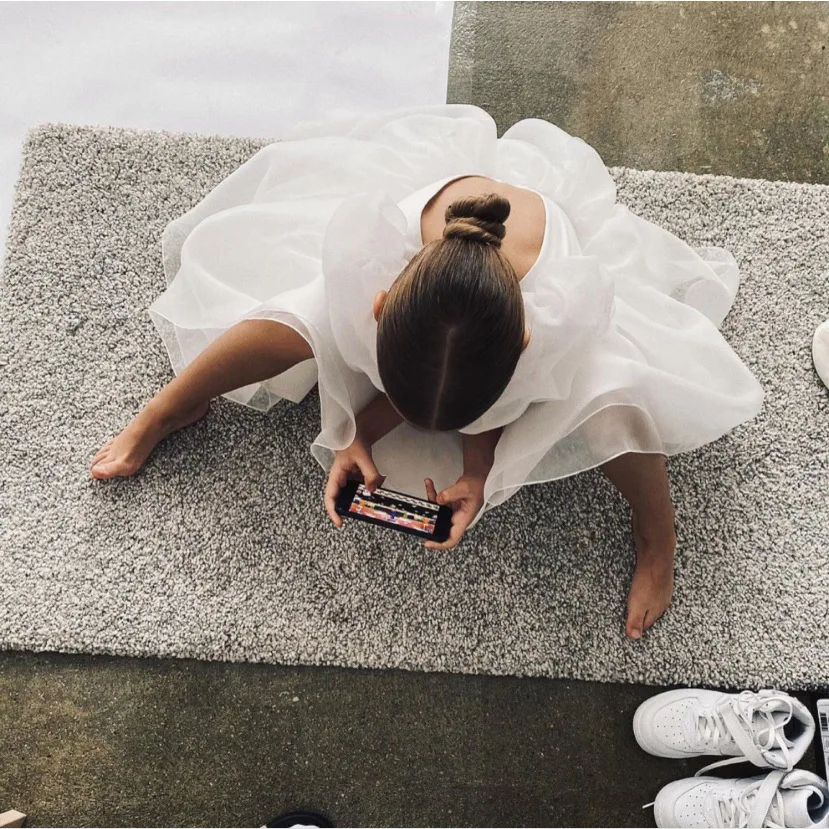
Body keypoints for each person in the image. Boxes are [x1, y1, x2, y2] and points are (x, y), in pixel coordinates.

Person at [88, 104, 764, 639]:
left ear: (525, 344)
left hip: (539, 288)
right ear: (378, 305)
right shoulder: (368, 259)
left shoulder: (558, 314)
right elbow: (423, 374)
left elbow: (499, 398)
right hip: (439, 266)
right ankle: (172, 403)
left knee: (616, 399)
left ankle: (657, 533)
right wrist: (355, 430)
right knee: (296, 312)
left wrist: (479, 466)